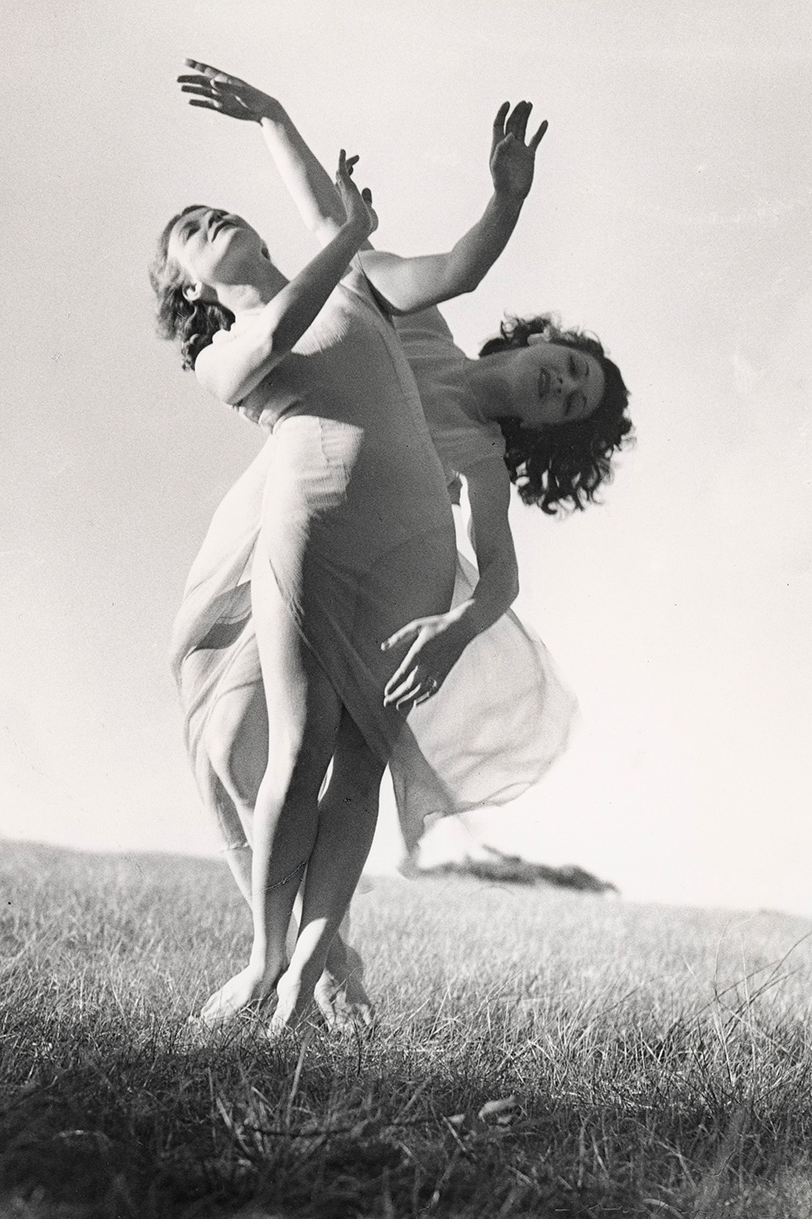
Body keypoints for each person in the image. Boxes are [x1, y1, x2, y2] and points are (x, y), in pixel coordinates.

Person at [165, 63, 631, 1030]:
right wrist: (501, 201)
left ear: (560, 433)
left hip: (389, 550)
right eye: (570, 364)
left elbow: (498, 568)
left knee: (348, 755)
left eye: (575, 401)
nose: (562, 383)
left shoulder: (484, 458)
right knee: (224, 744)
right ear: (539, 340)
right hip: (286, 513)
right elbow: (380, 244)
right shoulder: (411, 312)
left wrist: (459, 626)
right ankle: (307, 951)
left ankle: (313, 960)